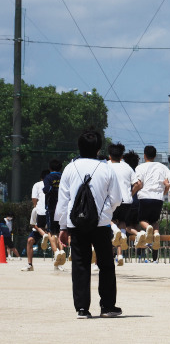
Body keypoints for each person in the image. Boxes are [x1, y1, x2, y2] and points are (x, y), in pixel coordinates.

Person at [55, 130, 123, 319]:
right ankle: (108, 306)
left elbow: (63, 201)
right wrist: (107, 211)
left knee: (80, 264)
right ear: (99, 149)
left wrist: (62, 227)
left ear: (79, 147)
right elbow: (117, 198)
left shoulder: (70, 168)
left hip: (75, 223)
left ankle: (82, 308)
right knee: (106, 264)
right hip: (101, 223)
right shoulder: (106, 168)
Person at [131, 145, 170, 251]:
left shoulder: (140, 167)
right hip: (158, 198)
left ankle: (148, 228)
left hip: (144, 197)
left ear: (144, 155)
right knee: (154, 220)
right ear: (155, 155)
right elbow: (168, 184)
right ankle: (156, 233)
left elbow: (139, 184)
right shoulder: (163, 167)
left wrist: (131, 194)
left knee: (142, 219)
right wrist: (163, 193)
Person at [107, 143, 136, 266]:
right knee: (122, 222)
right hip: (127, 201)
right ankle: (120, 253)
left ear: (109, 156)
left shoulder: (106, 166)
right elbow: (138, 183)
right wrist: (130, 192)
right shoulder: (127, 167)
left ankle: (115, 230)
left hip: (112, 200)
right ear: (121, 156)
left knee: (107, 221)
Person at [21, 170, 50, 271]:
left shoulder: (51, 210)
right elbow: (33, 225)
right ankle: (30, 264)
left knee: (57, 238)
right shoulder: (36, 210)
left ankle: (58, 264)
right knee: (30, 240)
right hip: (40, 230)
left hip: (49, 229)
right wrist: (42, 233)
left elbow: (34, 198)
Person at [43, 159, 67, 267]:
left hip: (51, 207)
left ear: (50, 168)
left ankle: (56, 252)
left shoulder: (48, 177)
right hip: (63, 207)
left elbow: (46, 189)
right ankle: (62, 251)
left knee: (51, 231)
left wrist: (47, 189)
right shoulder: (64, 176)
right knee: (60, 230)